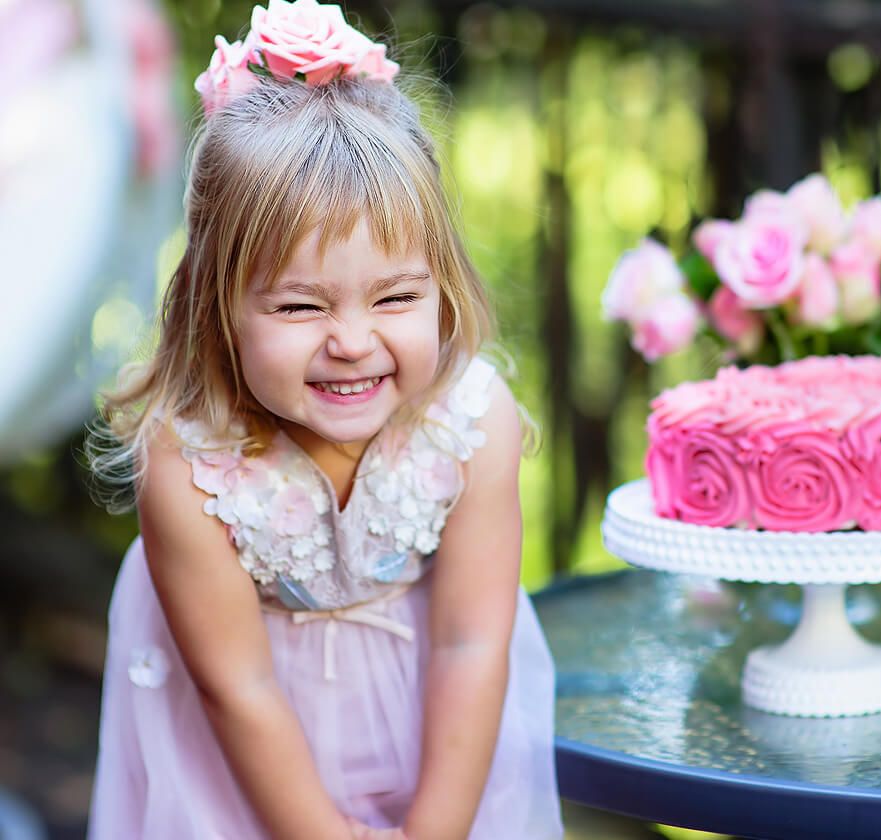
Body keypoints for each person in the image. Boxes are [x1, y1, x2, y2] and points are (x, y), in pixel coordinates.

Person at [86, 2, 562, 837]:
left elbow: (471, 643)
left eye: (396, 297)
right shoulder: (189, 466)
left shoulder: (471, 423)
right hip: (246, 761)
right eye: (301, 305)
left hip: (442, 733)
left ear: (441, 285)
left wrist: (436, 829)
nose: (352, 342)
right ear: (217, 304)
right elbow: (238, 687)